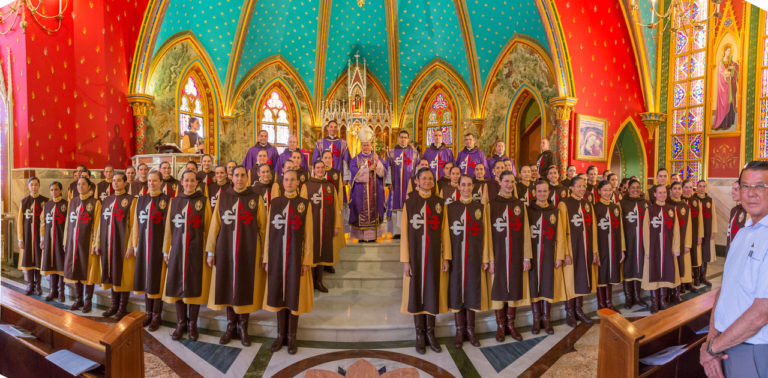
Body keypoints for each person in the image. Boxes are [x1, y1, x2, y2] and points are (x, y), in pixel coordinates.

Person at [700, 161, 768, 378]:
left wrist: (713, 348)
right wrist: (712, 337)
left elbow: (761, 313)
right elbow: (725, 289)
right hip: (725, 343)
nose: (751, 194)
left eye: (760, 186)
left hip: (753, 348)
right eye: (745, 186)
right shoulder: (744, 233)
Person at [205, 165, 267, 346]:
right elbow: (215, 226)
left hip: (248, 251)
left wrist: (264, 254)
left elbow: (263, 228)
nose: (239, 179)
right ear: (231, 177)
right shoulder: (223, 198)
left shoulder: (255, 198)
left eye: (242, 176)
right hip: (225, 250)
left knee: (242, 287)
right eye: (236, 176)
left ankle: (243, 328)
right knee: (227, 287)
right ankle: (230, 326)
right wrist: (210, 251)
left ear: (247, 178)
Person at [263, 170, 314, 354]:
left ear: (298, 182)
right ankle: (280, 335)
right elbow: (269, 232)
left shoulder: (304, 204)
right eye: (286, 179)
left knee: (294, 296)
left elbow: (308, 234)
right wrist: (267, 258)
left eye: (293, 179)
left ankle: (292, 337)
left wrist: (306, 260)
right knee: (278, 294)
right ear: (282, 182)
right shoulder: (275, 203)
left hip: (295, 257)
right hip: (277, 256)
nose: (290, 182)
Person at [400, 167, 450, 354]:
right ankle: (419, 334)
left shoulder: (439, 202)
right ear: (417, 181)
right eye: (424, 179)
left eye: (430, 179)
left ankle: (431, 333)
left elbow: (445, 231)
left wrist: (446, 257)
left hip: (434, 256)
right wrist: (406, 261)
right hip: (414, 256)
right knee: (416, 292)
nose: (428, 182)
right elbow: (404, 233)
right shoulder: (410, 203)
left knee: (432, 292)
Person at [162, 170, 211, 341]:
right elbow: (168, 227)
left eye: (192, 181)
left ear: (197, 183)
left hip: (196, 250)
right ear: (181, 183)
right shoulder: (174, 202)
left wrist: (209, 251)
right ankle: (181, 322)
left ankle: (192, 324)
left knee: (193, 286)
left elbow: (209, 228)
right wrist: (165, 250)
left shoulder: (203, 202)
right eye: (186, 181)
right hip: (177, 249)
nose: (189, 184)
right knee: (177, 284)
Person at [445, 175, 491, 348]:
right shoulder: (450, 208)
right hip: (456, 256)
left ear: (473, 187)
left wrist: (486, 258)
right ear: (458, 187)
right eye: (463, 185)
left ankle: (470, 330)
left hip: (474, 256)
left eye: (469, 185)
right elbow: (445, 236)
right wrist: (447, 258)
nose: (466, 188)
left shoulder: (479, 207)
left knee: (472, 290)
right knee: (457, 291)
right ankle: (459, 330)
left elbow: (486, 234)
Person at [489, 171, 531, 342]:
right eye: (506, 181)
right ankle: (500, 326)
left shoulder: (519, 205)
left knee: (513, 286)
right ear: (499, 182)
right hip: (498, 253)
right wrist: (489, 259)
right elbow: (487, 235)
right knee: (498, 287)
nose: (509, 185)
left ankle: (511, 325)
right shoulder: (491, 204)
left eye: (512, 182)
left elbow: (526, 231)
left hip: (515, 252)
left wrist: (526, 257)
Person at [130, 170, 170, 331]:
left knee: (156, 279)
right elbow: (135, 224)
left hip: (158, 246)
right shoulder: (141, 200)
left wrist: (167, 249)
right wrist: (134, 245)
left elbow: (169, 227)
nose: (151, 183)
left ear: (161, 182)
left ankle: (156, 315)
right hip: (143, 245)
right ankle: (147, 313)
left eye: (154, 180)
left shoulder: (167, 201)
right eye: (149, 181)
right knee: (145, 278)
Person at [527, 179, 567, 334]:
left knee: (547, 285)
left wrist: (559, 256)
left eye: (545, 191)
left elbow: (560, 235)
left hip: (550, 254)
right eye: (539, 191)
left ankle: (546, 319)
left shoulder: (554, 211)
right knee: (534, 285)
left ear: (549, 192)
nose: (542, 194)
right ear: (534, 193)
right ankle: (536, 320)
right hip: (533, 255)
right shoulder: (528, 210)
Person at [96, 173, 136, 320]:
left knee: (122, 275)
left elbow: (133, 226)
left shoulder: (131, 201)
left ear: (125, 183)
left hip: (122, 243)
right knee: (110, 272)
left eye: (119, 180)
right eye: (114, 181)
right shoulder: (107, 200)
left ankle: (122, 307)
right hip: (107, 243)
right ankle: (113, 304)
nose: (115, 183)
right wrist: (97, 242)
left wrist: (131, 245)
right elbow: (101, 223)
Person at [558, 176, 597, 327]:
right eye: (579, 186)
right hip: (571, 248)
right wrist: (565, 253)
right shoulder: (564, 204)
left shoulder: (587, 204)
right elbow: (561, 230)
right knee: (570, 280)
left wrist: (594, 251)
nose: (582, 189)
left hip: (585, 246)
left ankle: (579, 310)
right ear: (571, 188)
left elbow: (592, 229)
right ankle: (569, 312)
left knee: (582, 278)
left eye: (584, 186)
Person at [63, 177, 101, 313]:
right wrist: (65, 241)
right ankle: (78, 299)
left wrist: (96, 243)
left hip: (87, 242)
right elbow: (68, 222)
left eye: (83, 184)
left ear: (89, 186)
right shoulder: (72, 202)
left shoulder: (95, 203)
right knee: (75, 269)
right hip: (73, 241)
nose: (80, 186)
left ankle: (88, 301)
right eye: (78, 184)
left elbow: (97, 225)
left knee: (88, 272)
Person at [642, 185, 680, 314]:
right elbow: (645, 231)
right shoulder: (650, 210)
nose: (662, 195)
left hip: (668, 246)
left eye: (664, 192)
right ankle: (654, 301)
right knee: (654, 272)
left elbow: (676, 230)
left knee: (666, 272)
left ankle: (663, 300)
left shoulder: (671, 209)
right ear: (655, 194)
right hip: (654, 248)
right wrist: (647, 250)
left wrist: (675, 248)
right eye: (660, 192)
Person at [305, 160, 342, 292]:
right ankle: (310, 282)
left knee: (322, 251)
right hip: (311, 224)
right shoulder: (307, 185)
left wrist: (337, 225)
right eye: (318, 168)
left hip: (326, 224)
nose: (320, 170)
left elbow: (336, 206)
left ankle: (319, 281)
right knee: (312, 250)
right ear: (313, 169)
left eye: (322, 168)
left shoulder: (330, 187)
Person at [594, 180, 625, 310]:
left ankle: (609, 302)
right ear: (599, 191)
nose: (607, 192)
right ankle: (601, 304)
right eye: (605, 190)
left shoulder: (615, 207)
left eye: (609, 189)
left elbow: (621, 229)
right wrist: (595, 251)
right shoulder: (595, 208)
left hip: (614, 246)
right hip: (601, 246)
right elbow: (593, 232)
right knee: (602, 274)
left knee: (612, 274)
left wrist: (622, 249)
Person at [349, 139, 387, 242]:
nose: (366, 147)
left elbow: (384, 172)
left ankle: (372, 237)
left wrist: (378, 162)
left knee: (374, 210)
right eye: (364, 145)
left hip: (375, 190)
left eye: (368, 145)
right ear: (361, 145)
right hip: (360, 192)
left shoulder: (376, 157)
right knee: (360, 211)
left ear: (371, 145)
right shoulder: (355, 159)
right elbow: (354, 174)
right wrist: (368, 169)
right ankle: (361, 237)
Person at [619, 179, 648, 309]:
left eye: (638, 187)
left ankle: (638, 296)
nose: (635, 190)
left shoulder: (646, 203)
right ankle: (628, 298)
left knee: (639, 267)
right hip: (628, 241)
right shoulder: (621, 204)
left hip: (642, 242)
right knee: (628, 268)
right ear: (628, 189)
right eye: (633, 187)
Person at [18, 176, 49, 296]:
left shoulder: (45, 201)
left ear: (39, 186)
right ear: (28, 186)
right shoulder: (24, 201)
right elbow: (20, 221)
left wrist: (44, 238)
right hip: (27, 236)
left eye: (36, 184)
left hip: (39, 237)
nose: (34, 187)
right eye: (32, 185)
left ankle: (38, 285)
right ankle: (30, 284)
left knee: (38, 260)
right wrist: (20, 238)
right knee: (28, 260)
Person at [386, 130, 420, 239]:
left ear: (408, 139)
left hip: (409, 184)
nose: (403, 139)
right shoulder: (391, 152)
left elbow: (417, 169)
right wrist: (389, 182)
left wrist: (417, 184)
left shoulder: (414, 153)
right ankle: (397, 232)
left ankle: (408, 230)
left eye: (405, 137)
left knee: (409, 206)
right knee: (396, 207)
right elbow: (388, 168)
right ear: (398, 138)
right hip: (395, 185)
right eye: (401, 137)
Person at [40, 182, 67, 302]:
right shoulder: (47, 205)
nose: (54, 192)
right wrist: (42, 239)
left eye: (56, 189)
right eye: (51, 190)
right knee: (51, 264)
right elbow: (43, 224)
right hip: (49, 239)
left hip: (61, 239)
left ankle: (61, 292)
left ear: (61, 190)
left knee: (60, 265)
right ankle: (53, 291)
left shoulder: (66, 204)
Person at [669, 181, 694, 303]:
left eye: (679, 188)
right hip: (669, 241)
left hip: (682, 240)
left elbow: (689, 226)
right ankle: (668, 292)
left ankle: (676, 292)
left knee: (680, 266)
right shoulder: (666, 204)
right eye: (675, 188)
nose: (677, 191)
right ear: (670, 191)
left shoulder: (685, 206)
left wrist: (688, 244)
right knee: (670, 267)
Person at [682, 180, 703, 291]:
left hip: (694, 233)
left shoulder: (696, 201)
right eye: (686, 187)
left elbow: (700, 220)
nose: (688, 189)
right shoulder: (679, 201)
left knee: (693, 258)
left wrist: (700, 235)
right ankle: (682, 283)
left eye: (690, 187)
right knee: (683, 259)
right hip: (682, 234)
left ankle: (689, 282)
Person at [696, 180, 717, 286]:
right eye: (699, 186)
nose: (701, 188)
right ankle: (696, 277)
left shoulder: (710, 200)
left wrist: (713, 230)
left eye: (703, 186)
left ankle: (703, 276)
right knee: (697, 253)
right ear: (696, 187)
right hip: (697, 231)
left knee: (705, 253)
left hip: (707, 229)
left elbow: (713, 215)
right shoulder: (694, 200)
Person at [726, 181, 748, 255]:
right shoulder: (734, 210)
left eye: (736, 189)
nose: (732, 192)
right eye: (732, 189)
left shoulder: (749, 211)